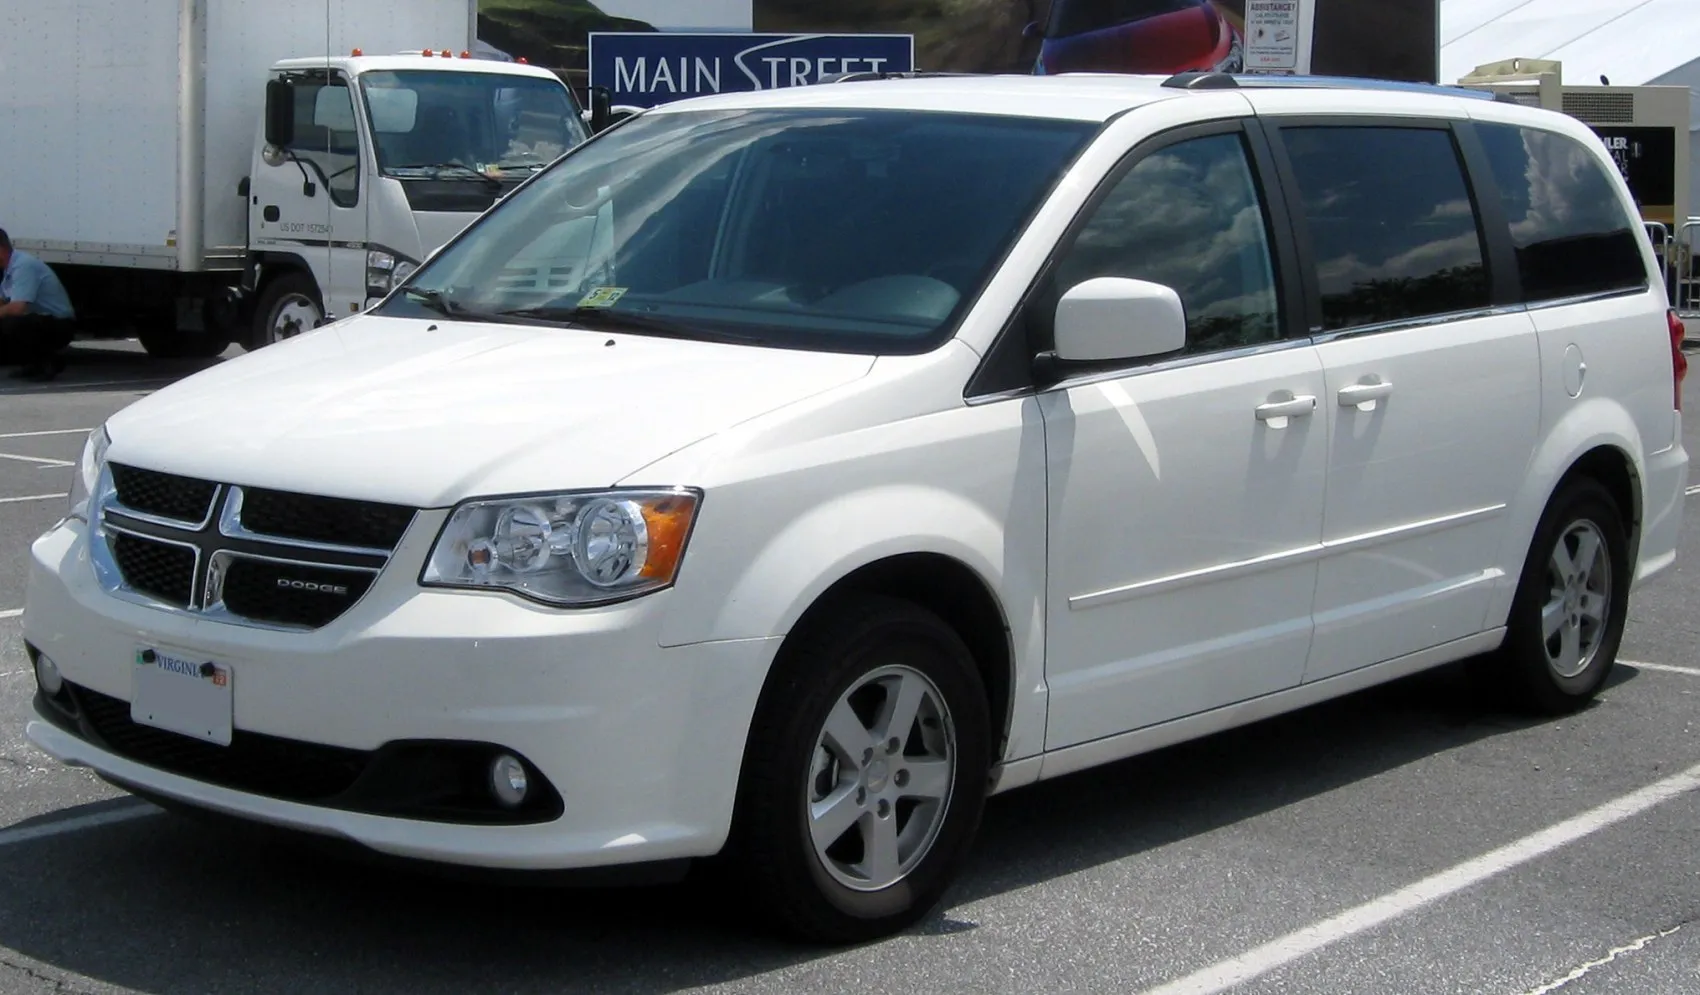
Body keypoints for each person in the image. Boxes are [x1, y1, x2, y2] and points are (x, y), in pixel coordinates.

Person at [0, 228, 76, 382]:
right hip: (41, 321)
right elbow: (2, 301)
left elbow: (17, 308)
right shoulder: (8, 271)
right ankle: (32, 364)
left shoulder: (23, 266)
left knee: (12, 324)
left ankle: (49, 361)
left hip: (59, 325)